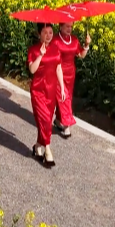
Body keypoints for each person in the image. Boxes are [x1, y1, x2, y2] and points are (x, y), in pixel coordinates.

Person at [28, 24, 67, 167]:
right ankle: (48, 151)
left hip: (51, 90)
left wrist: (62, 88)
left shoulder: (56, 49)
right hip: (38, 90)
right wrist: (40, 55)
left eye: (51, 32)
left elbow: (58, 68)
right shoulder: (33, 50)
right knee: (44, 120)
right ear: (39, 34)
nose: (49, 35)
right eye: (45, 32)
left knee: (47, 120)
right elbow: (32, 70)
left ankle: (38, 146)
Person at [53, 22, 92, 138]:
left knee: (67, 97)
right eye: (67, 26)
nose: (69, 29)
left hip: (71, 74)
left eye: (71, 26)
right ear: (60, 26)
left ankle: (59, 121)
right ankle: (67, 126)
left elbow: (80, 55)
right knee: (63, 97)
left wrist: (86, 44)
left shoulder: (74, 40)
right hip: (58, 71)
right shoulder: (55, 41)